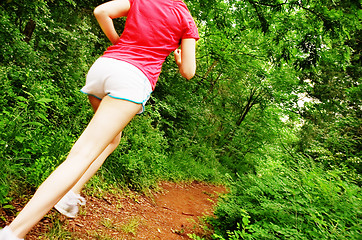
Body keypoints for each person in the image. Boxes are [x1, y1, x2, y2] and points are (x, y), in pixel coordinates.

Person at [0, 0, 199, 239]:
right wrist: (178, 60)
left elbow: (101, 11)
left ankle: (70, 193)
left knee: (112, 139)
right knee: (82, 155)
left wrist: (118, 42)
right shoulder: (186, 20)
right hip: (132, 79)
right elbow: (188, 72)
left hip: (104, 68)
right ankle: (13, 232)